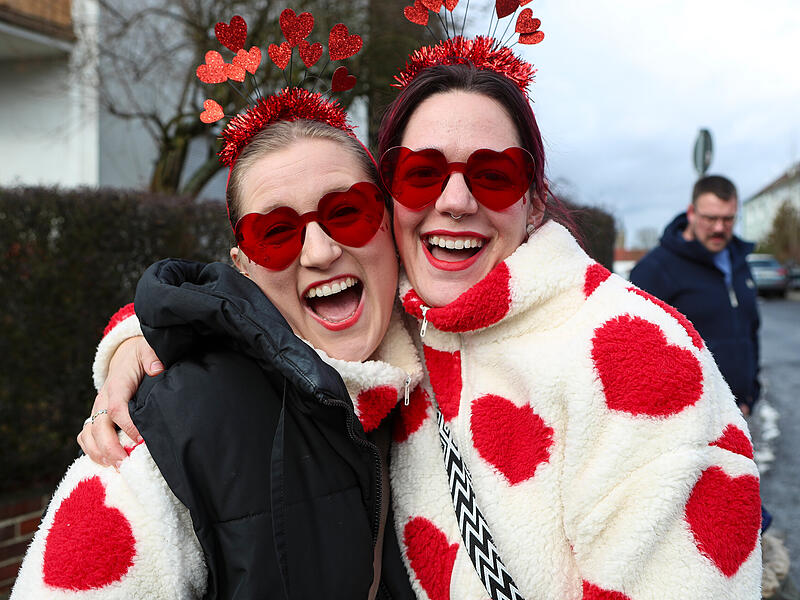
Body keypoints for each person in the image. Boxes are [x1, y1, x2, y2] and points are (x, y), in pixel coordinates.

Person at [78, 13, 763, 600]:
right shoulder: (398, 338)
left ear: (533, 199)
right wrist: (144, 340)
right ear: (392, 202)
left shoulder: (633, 352)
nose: (455, 200)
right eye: (422, 173)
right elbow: (256, 310)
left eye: (493, 174)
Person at [11, 14, 421, 597]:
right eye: (276, 232)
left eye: (347, 212)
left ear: (388, 226)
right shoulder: (163, 439)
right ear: (244, 266)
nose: (322, 250)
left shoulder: (456, 368)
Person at [630, 175, 760, 415]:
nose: (719, 228)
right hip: (686, 423)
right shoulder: (655, 269)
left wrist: (751, 392)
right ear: (691, 212)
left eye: (728, 219)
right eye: (711, 218)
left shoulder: (739, 262)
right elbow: (636, 353)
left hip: (738, 414)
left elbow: (751, 330)